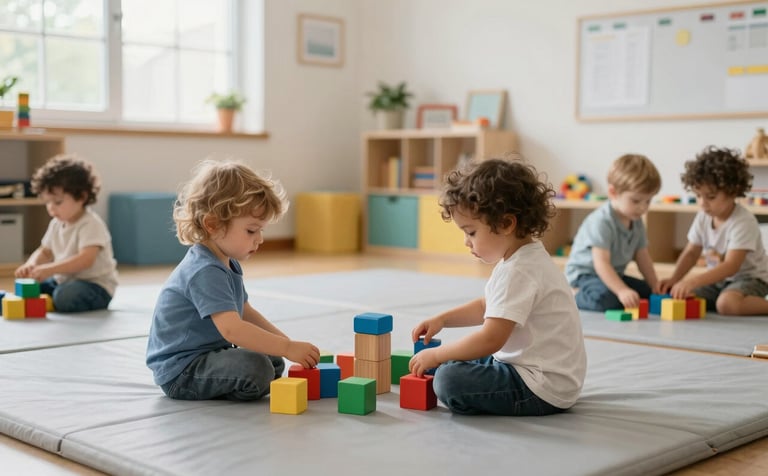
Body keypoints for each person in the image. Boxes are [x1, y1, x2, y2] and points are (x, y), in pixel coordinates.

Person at [408, 157, 586, 416]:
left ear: (505, 224)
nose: (466, 243)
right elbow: (487, 306)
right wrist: (443, 319)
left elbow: (491, 338)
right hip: (532, 369)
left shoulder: (520, 271)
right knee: (455, 357)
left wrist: (438, 356)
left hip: (539, 387)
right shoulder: (522, 256)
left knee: (448, 379)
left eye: (471, 232)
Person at [146, 159, 320, 401]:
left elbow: (246, 312)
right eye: (251, 231)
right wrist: (289, 348)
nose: (259, 240)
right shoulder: (204, 270)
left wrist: (286, 343)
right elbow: (232, 329)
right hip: (181, 371)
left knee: (274, 361)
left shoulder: (227, 262)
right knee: (258, 368)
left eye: (261, 230)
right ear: (212, 225)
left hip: (210, 354)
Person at [659, 146, 768, 316]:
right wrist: (675, 279)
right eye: (698, 195)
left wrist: (693, 281)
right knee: (684, 296)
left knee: (727, 304)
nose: (702, 203)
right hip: (720, 280)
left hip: (750, 280)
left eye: (710, 197)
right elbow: (690, 253)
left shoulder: (743, 221)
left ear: (732, 193)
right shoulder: (704, 216)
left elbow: (731, 266)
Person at [15, 154, 117, 312]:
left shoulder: (90, 223)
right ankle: (48, 299)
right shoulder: (57, 223)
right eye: (47, 202)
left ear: (82, 197)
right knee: (34, 286)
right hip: (63, 280)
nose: (51, 208)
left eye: (58, 202)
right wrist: (31, 265)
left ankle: (54, 300)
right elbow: (45, 251)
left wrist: (49, 269)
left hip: (95, 286)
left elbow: (85, 260)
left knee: (64, 296)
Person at [565, 154, 662, 311]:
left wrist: (655, 285)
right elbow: (601, 263)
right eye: (636, 201)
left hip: (612, 274)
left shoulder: (636, 220)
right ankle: (571, 295)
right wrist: (622, 290)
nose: (643, 207)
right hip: (585, 276)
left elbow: (643, 257)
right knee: (606, 300)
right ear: (613, 192)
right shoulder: (602, 221)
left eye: (648, 201)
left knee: (646, 293)